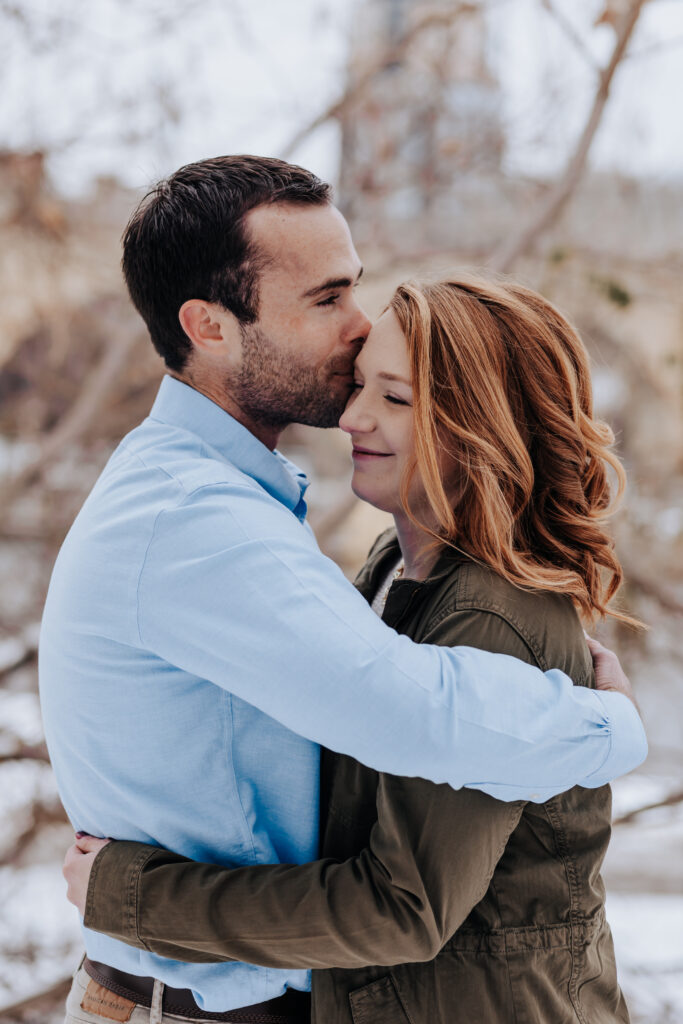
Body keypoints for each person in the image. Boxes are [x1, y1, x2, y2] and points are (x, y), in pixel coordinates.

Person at [42, 156, 645, 1024]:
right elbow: (409, 712)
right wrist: (609, 729)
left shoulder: (240, 506)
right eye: (326, 300)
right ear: (209, 327)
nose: (357, 326)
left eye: (353, 289)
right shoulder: (199, 522)